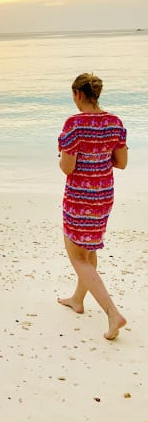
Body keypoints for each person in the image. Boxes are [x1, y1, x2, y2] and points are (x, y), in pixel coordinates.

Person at [55, 72, 129, 340]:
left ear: (78, 94)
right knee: (89, 250)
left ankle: (112, 313)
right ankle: (78, 299)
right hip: (103, 195)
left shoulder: (74, 124)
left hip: (80, 197)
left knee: (77, 256)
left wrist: (62, 156)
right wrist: (99, 157)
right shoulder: (114, 122)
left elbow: (68, 167)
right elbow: (121, 162)